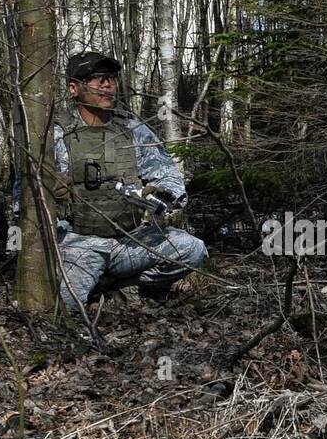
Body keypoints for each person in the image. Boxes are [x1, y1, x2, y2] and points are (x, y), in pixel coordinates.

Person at [43, 51, 207, 312]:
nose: (107, 85)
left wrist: (161, 197)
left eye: (111, 78)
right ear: (74, 88)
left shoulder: (132, 129)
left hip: (129, 240)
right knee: (66, 305)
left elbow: (168, 176)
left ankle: (121, 285)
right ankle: (94, 283)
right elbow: (26, 199)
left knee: (192, 249)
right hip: (78, 243)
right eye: (97, 79)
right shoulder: (56, 134)